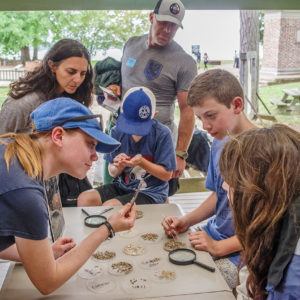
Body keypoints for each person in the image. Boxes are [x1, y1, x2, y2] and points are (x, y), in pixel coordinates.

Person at [0, 97, 136, 295]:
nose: (95, 156)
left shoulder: (13, 153)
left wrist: (44, 254)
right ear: (58, 136)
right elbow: (47, 282)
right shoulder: (26, 194)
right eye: (90, 144)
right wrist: (107, 228)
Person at [162, 69, 257, 289]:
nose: (204, 126)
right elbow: (219, 195)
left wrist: (218, 248)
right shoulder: (220, 142)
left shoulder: (264, 152)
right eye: (199, 118)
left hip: (243, 252)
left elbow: (267, 228)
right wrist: (186, 221)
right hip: (213, 232)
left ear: (236, 105)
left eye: (211, 115)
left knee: (193, 284)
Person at [107, 0, 197, 195]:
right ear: (151, 17)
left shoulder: (184, 61)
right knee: (121, 191)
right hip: (125, 133)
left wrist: (180, 153)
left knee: (158, 198)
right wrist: (114, 91)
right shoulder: (130, 44)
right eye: (163, 22)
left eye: (173, 25)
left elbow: (187, 110)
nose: (167, 30)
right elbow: (126, 84)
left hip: (158, 141)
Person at [0, 38, 94, 206]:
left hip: (54, 186)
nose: (78, 80)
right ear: (52, 66)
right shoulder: (22, 103)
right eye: (71, 72)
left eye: (82, 73)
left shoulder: (70, 100)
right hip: (22, 188)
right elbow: (2, 144)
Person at [219, 124, 300, 300]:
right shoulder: (277, 229)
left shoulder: (290, 275)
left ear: (257, 194)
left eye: (231, 182)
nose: (224, 186)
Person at [77, 87, 177, 207]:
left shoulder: (162, 134)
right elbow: (112, 172)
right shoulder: (116, 132)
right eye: (131, 126)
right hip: (122, 185)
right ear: (121, 110)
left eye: (141, 127)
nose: (135, 131)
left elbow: (167, 175)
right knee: (84, 199)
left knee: (111, 206)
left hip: (151, 192)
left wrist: (142, 163)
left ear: (154, 115)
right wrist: (119, 166)